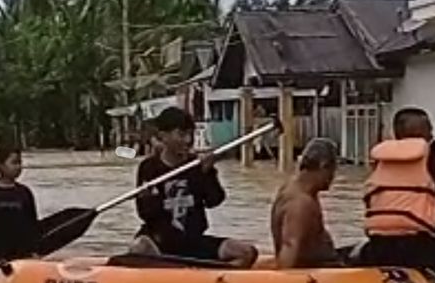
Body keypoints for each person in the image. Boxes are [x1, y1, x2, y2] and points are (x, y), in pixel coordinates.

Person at [129, 106, 258, 267]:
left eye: (191, 134)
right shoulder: (149, 167)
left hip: (192, 241)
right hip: (160, 241)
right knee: (139, 247)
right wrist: (147, 196)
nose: (188, 140)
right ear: (164, 136)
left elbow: (214, 201)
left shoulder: (196, 165)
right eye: (182, 134)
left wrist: (208, 173)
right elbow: (146, 214)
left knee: (247, 252)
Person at [359, 107, 435, 268]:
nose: (432, 135)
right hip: (420, 248)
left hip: (378, 246)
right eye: (429, 130)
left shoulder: (380, 162)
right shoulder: (432, 161)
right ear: (424, 134)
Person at [271, 138, 340, 269]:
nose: (332, 177)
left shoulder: (292, 187)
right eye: (332, 171)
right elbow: (289, 245)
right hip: (313, 271)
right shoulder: (300, 203)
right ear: (323, 166)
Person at [0, 147, 40, 276]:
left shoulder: (25, 192)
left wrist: (35, 252)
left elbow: (33, 225)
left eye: (20, 162)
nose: (19, 166)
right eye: (14, 162)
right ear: (0, 166)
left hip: (22, 256)